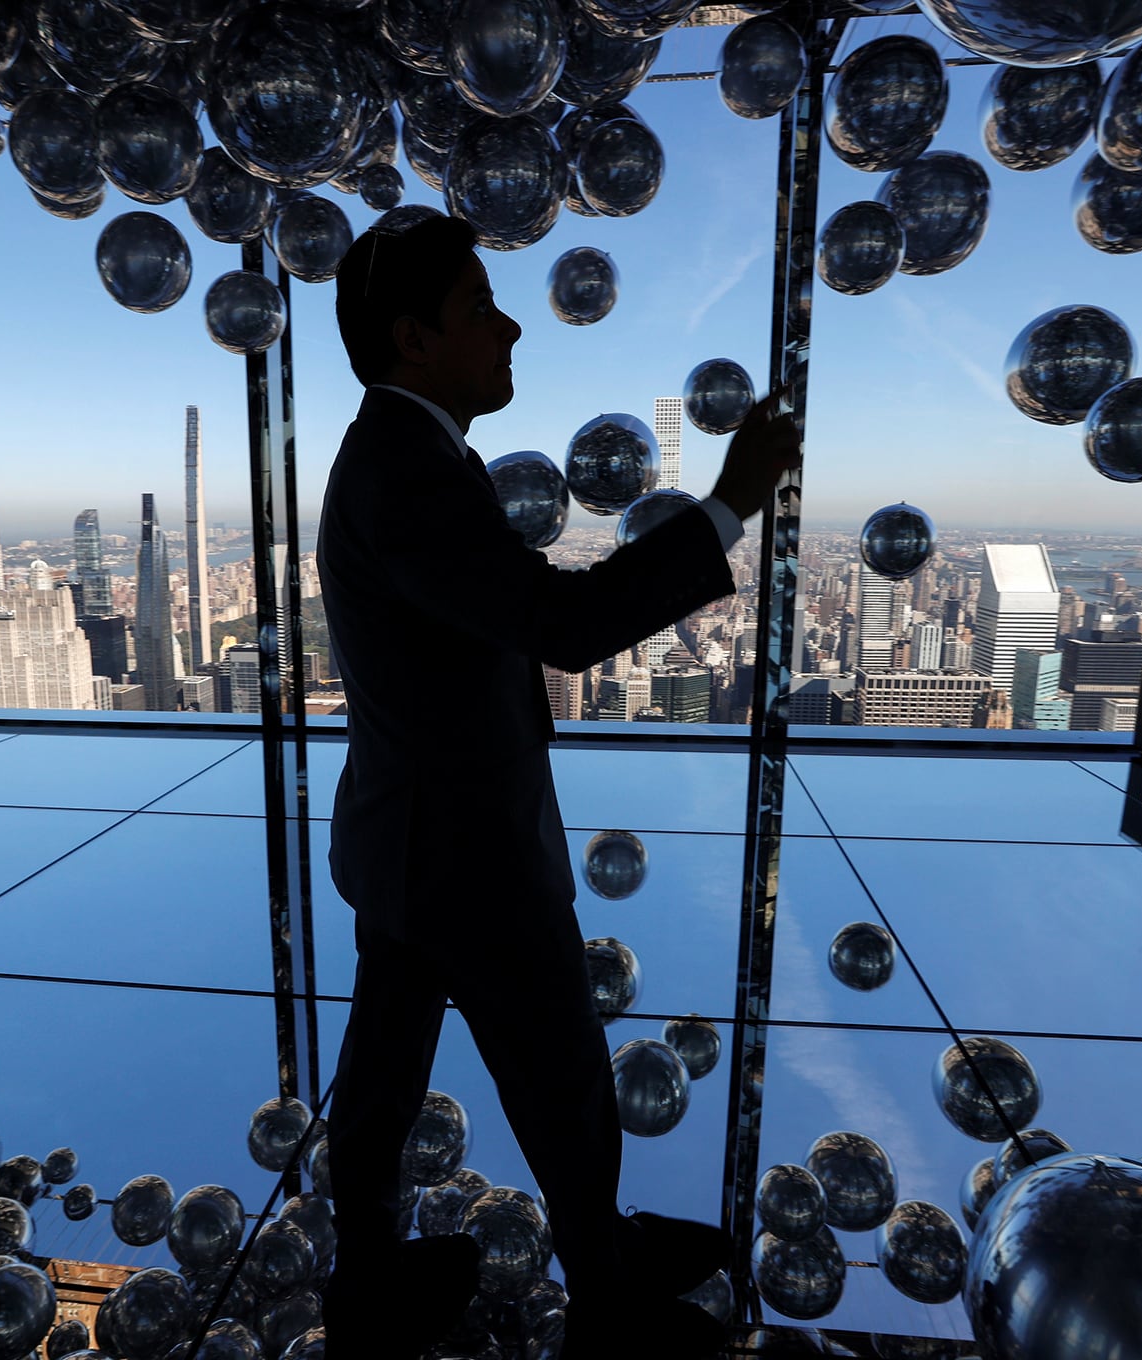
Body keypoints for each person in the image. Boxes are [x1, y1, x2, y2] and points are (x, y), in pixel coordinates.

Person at [314, 212, 799, 1360]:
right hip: (466, 858)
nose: (512, 321)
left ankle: (375, 1276)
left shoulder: (403, 455)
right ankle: (608, 1289)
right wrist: (729, 500)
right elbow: (566, 626)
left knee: (384, 1070)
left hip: (408, 842)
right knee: (565, 1076)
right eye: (482, 304)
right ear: (414, 337)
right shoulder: (407, 471)